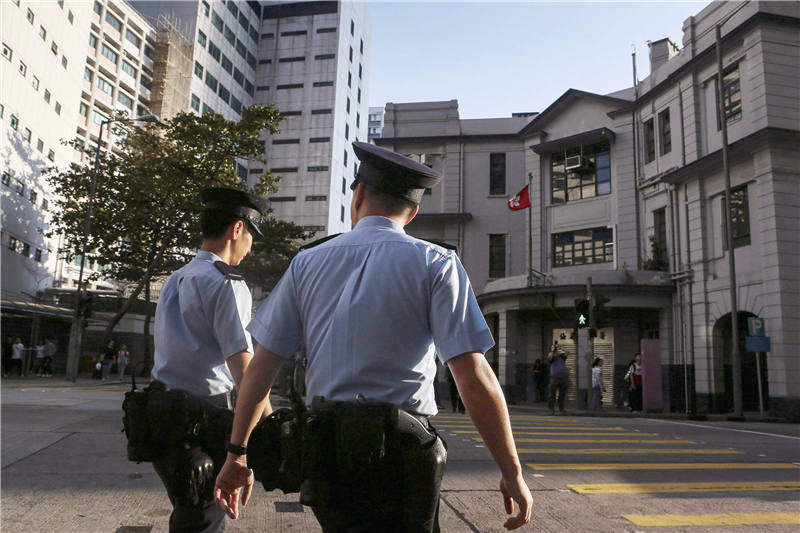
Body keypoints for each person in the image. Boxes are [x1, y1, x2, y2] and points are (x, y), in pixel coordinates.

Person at [214, 141, 532, 531]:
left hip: (326, 453)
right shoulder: (436, 263)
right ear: (412, 212)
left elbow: (260, 369)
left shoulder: (307, 262)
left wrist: (237, 454)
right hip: (403, 454)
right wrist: (511, 470)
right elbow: (472, 376)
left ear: (359, 195)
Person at [149, 186, 269, 533]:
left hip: (162, 414)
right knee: (205, 517)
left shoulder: (177, 277)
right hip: (204, 419)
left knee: (189, 514)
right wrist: (267, 427)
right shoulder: (225, 283)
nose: (249, 247)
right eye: (251, 237)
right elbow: (246, 370)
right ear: (237, 229)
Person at [547, 342, 569, 414]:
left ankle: (562, 409)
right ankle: (551, 409)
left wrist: (560, 347)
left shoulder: (561, 356)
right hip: (554, 378)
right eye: (553, 347)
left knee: (562, 395)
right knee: (552, 395)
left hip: (563, 378)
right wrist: (553, 350)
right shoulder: (551, 356)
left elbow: (567, 352)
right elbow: (550, 357)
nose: (555, 348)